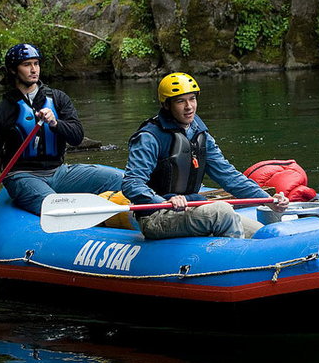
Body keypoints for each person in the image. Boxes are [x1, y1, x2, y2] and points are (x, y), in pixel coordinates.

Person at [121, 72, 289, 239]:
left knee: (261, 233)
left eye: (192, 99)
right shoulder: (149, 137)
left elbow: (228, 176)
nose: (189, 107)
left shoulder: (199, 134)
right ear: (166, 105)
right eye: (181, 101)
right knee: (221, 211)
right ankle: (235, 259)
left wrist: (267, 200)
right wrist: (162, 202)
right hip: (157, 216)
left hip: (192, 207)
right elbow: (131, 183)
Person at [0, 43, 122, 218]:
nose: (34, 69)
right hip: (22, 177)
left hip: (58, 173)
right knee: (56, 207)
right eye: (27, 65)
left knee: (118, 179)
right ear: (13, 70)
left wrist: (55, 123)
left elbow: (77, 137)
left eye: (36, 63)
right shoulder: (3, 111)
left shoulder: (58, 98)